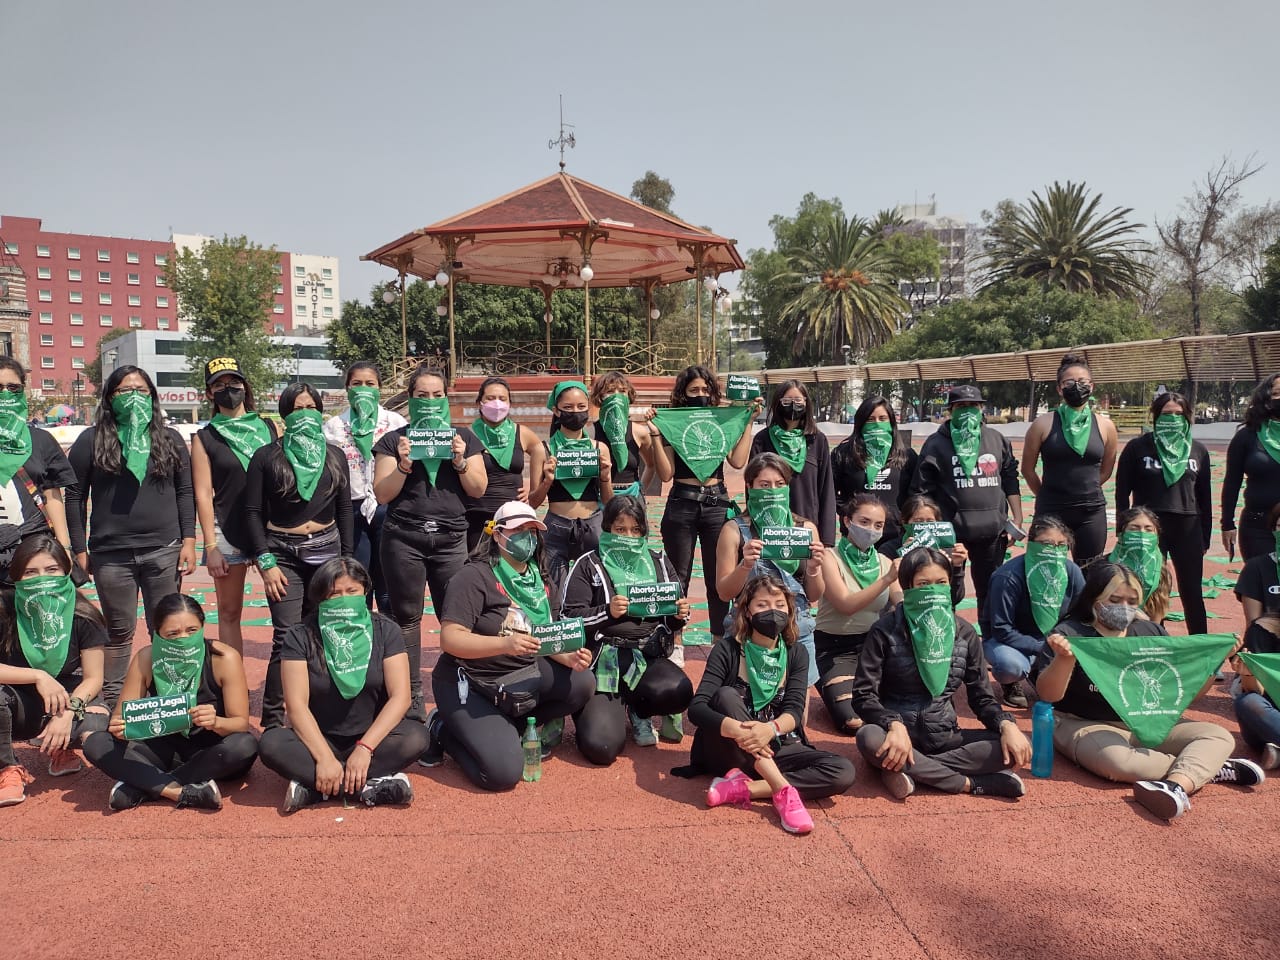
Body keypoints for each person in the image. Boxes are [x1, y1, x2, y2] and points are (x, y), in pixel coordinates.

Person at [1035, 560, 1263, 820]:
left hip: (1146, 719)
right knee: (1118, 763)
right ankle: (1204, 768)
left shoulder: (1149, 632)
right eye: (1115, 599)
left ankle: (1177, 785)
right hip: (1085, 723)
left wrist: (1213, 664)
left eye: (1132, 602)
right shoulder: (1070, 633)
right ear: (1094, 599)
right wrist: (1064, 659)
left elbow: (1187, 695)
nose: (1124, 608)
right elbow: (1048, 695)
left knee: (1219, 736)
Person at [431, 501, 594, 791]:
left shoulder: (540, 578)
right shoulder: (474, 576)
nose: (527, 537)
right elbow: (450, 638)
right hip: (471, 680)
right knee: (503, 775)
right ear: (497, 535)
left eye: (532, 530)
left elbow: (546, 636)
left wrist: (570, 657)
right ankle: (442, 729)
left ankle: (510, 728)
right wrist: (504, 644)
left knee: (582, 682)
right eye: (518, 530)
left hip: (519, 672)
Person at [852, 547, 1031, 800]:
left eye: (940, 583)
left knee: (1016, 745)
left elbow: (981, 697)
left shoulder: (964, 633)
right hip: (894, 734)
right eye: (924, 584)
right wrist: (893, 724)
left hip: (946, 736)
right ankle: (970, 783)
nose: (933, 591)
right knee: (867, 737)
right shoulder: (885, 630)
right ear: (908, 588)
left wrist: (1006, 724)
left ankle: (910, 769)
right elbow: (863, 695)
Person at [65, 365, 196, 708]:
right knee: (119, 632)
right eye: (125, 390)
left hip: (164, 550)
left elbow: (186, 493)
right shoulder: (90, 440)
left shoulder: (169, 439)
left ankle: (167, 699)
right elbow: (75, 497)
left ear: (152, 396)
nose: (134, 397)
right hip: (112, 555)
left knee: (165, 628)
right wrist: (79, 549)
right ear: (110, 397)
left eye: (141, 390)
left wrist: (190, 541)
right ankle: (115, 703)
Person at [685, 574, 857, 834]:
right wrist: (740, 731)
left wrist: (769, 730)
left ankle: (744, 788)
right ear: (747, 612)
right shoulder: (729, 649)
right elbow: (698, 709)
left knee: (843, 771)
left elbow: (794, 712)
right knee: (726, 695)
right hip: (728, 750)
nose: (772, 611)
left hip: (776, 742)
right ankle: (782, 790)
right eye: (762, 605)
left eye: (779, 604)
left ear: (789, 610)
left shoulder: (795, 652)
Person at [258, 558, 428, 812]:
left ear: (364, 592)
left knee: (417, 737)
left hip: (372, 739)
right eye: (334, 593)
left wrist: (365, 748)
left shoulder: (386, 630)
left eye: (352, 591)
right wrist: (324, 757)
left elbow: (400, 697)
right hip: (318, 740)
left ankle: (316, 787)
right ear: (320, 597)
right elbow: (296, 707)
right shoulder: (301, 634)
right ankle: (369, 786)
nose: (344, 599)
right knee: (270, 744)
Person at [373, 365, 486, 720]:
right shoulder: (395, 440)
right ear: (411, 399)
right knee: (406, 618)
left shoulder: (464, 438)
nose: (431, 401)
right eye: (423, 395)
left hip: (451, 540)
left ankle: (457, 689)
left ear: (447, 399)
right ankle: (411, 697)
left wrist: (461, 462)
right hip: (404, 539)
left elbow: (479, 490)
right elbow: (381, 493)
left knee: (455, 618)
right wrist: (404, 466)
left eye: (438, 395)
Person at [82, 593, 257, 811]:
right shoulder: (146, 657)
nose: (183, 638)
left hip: (210, 750)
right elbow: (120, 717)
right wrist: (120, 728)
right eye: (173, 633)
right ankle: (179, 792)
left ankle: (144, 785)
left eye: (192, 630)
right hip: (162, 749)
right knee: (96, 742)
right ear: (158, 634)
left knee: (244, 745)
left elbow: (240, 723)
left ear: (203, 627)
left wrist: (216, 722)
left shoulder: (224, 657)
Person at [246, 383, 353, 728]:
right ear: (284, 414)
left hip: (327, 551)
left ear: (320, 412)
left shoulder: (334, 456)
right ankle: (274, 720)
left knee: (327, 631)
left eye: (311, 407)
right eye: (296, 408)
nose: (304, 414)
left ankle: (322, 711)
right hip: (283, 554)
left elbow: (345, 511)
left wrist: (346, 563)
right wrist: (266, 562)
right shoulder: (266, 457)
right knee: (286, 635)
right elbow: (251, 513)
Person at [559, 495, 693, 762]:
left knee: (679, 691)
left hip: (647, 656)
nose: (628, 536)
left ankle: (639, 710)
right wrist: (606, 613)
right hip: (602, 661)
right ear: (606, 528)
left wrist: (679, 615)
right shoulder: (589, 563)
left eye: (635, 530)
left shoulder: (657, 561)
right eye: (620, 529)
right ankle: (606, 707)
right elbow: (568, 618)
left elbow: (670, 618)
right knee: (602, 747)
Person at [0, 537, 109, 806]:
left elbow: (94, 678)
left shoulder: (83, 613)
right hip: (18, 699)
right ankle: (8, 768)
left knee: (98, 723)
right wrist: (39, 676)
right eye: (30, 572)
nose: (42, 579)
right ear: (16, 577)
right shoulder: (5, 609)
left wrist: (69, 711)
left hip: (65, 698)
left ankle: (60, 749)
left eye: (51, 570)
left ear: (66, 571)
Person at [658, 365, 757, 644]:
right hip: (681, 502)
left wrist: (748, 421)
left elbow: (738, 462)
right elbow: (665, 474)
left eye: (705, 390)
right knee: (677, 577)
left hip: (717, 503)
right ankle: (675, 640)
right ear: (683, 394)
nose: (700, 394)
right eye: (693, 391)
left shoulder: (718, 421)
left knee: (719, 576)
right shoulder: (672, 422)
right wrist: (656, 431)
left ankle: (717, 640)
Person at [715, 453, 827, 690]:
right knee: (744, 707)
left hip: (797, 627)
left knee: (796, 717)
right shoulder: (734, 530)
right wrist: (744, 565)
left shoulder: (805, 529)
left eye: (779, 485)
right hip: (747, 627)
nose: (772, 491)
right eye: (764, 485)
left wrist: (815, 569)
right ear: (750, 486)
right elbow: (724, 593)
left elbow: (814, 595)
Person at [191, 357, 278, 654]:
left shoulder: (268, 427)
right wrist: (211, 546)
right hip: (227, 532)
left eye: (234, 383)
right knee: (229, 613)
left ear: (245, 386)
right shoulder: (204, 437)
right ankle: (234, 686)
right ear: (209, 393)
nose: (228, 389)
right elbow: (203, 493)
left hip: (272, 528)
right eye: (219, 385)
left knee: (287, 613)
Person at [912, 385, 1021, 617]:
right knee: (946, 590)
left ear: (982, 409)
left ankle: (990, 643)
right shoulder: (935, 444)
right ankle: (945, 639)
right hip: (951, 533)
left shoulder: (997, 440)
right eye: (961, 406)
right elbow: (922, 490)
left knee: (990, 591)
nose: (968, 411)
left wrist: (1016, 519)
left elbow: (1010, 478)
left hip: (992, 531)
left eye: (973, 406)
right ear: (950, 410)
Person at [1114, 390, 1212, 635]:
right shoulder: (1138, 447)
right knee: (1150, 589)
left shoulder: (1198, 450)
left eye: (1179, 414)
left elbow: (1205, 497)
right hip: (1148, 530)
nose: (1173, 419)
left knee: (1192, 593)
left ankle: (1201, 649)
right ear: (1156, 416)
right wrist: (1122, 529)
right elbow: (1121, 492)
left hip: (1188, 528)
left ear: (1188, 417)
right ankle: (1151, 641)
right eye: (1167, 414)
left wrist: (1206, 535)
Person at [813, 495, 901, 735]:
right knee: (853, 722)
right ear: (847, 521)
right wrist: (886, 580)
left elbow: (902, 603)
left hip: (873, 648)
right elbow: (845, 604)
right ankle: (828, 682)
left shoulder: (884, 561)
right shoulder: (829, 558)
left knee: (905, 707)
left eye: (878, 525)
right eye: (864, 521)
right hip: (834, 648)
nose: (871, 529)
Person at [324, 361, 407, 611]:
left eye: (370, 384)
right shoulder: (333, 427)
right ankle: (361, 636)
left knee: (388, 583)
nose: (363, 389)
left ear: (380, 389)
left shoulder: (395, 423)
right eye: (356, 384)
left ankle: (388, 639)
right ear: (347, 388)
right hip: (351, 510)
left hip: (389, 507)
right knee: (357, 579)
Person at [1022, 355, 1118, 565]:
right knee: (1046, 570)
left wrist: (1085, 489)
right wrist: (1047, 495)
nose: (1077, 387)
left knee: (1089, 573)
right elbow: (1028, 469)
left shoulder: (1105, 426)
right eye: (1069, 382)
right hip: (1051, 509)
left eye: (1082, 382)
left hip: (1090, 512)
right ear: (1059, 388)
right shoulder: (1043, 424)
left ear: (1091, 387)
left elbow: (1106, 469)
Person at [981, 516, 1085, 708]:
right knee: (1010, 665)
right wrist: (1043, 647)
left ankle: (1042, 672)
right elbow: (1001, 628)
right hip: (1010, 641)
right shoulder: (1008, 576)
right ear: (1031, 544)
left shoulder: (1071, 571)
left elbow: (1083, 612)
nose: (1053, 551)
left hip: (1054, 639)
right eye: (1047, 544)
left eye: (1061, 544)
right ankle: (1011, 683)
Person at [530, 381, 614, 593]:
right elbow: (532, 502)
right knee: (555, 592)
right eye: (568, 408)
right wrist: (547, 481)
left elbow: (609, 502)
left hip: (593, 525)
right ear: (556, 411)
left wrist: (605, 477)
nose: (575, 412)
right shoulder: (544, 449)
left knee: (597, 590)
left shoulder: (599, 448)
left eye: (581, 407)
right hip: (556, 527)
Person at [0, 358, 77, 580]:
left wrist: (64, 546)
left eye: (13, 387)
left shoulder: (40, 440)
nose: (5, 394)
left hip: (34, 552)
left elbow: (52, 496)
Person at [750, 380, 836, 545]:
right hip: (769, 529)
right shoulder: (763, 439)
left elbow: (826, 491)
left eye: (798, 401)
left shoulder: (817, 440)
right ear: (777, 403)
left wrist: (826, 540)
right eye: (787, 401)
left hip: (807, 529)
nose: (793, 405)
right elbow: (752, 489)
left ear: (806, 403)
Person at [464, 376, 545, 551]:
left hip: (513, 518)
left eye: (502, 399)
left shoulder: (521, 433)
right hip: (477, 517)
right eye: (490, 398)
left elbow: (539, 448)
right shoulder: (469, 434)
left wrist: (533, 488)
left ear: (509, 403)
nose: (497, 403)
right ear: (480, 402)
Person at [832, 395, 917, 555]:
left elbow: (915, 494)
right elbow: (831, 492)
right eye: (870, 419)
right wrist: (848, 512)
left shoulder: (907, 456)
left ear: (891, 423)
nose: (877, 423)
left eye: (882, 418)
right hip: (856, 537)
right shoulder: (843, 454)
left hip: (896, 538)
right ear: (861, 422)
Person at [589, 371, 672, 503]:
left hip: (631, 497)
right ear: (600, 396)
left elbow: (651, 465)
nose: (616, 396)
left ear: (629, 395)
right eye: (610, 391)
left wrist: (640, 492)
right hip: (599, 499)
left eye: (622, 391)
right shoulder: (590, 432)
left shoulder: (639, 432)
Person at [1222, 373, 1280, 562]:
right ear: (1265, 398)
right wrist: (1227, 523)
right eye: (1277, 393)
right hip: (1257, 527)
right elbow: (1232, 483)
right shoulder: (1247, 436)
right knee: (1261, 585)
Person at [899, 495, 968, 607]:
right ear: (905, 522)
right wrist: (905, 556)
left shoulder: (950, 550)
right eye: (919, 521)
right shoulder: (890, 549)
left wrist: (957, 566)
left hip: (942, 613)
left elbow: (955, 598)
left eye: (930, 521)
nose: (925, 526)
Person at [1230, 616, 1280, 770]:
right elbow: (1257, 692)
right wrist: (1247, 673)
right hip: (1272, 718)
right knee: (1247, 702)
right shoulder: (1262, 630)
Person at [1111, 507, 1175, 626]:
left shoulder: (1161, 571)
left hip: (1144, 631)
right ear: (1121, 533)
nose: (1141, 534)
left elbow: (1156, 617)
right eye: (1134, 529)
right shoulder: (1105, 566)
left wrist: (1144, 623)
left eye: (1148, 529)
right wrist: (1133, 612)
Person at [1235, 503, 1280, 626]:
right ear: (1273, 530)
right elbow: (1254, 627)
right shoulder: (1255, 568)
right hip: (1268, 641)